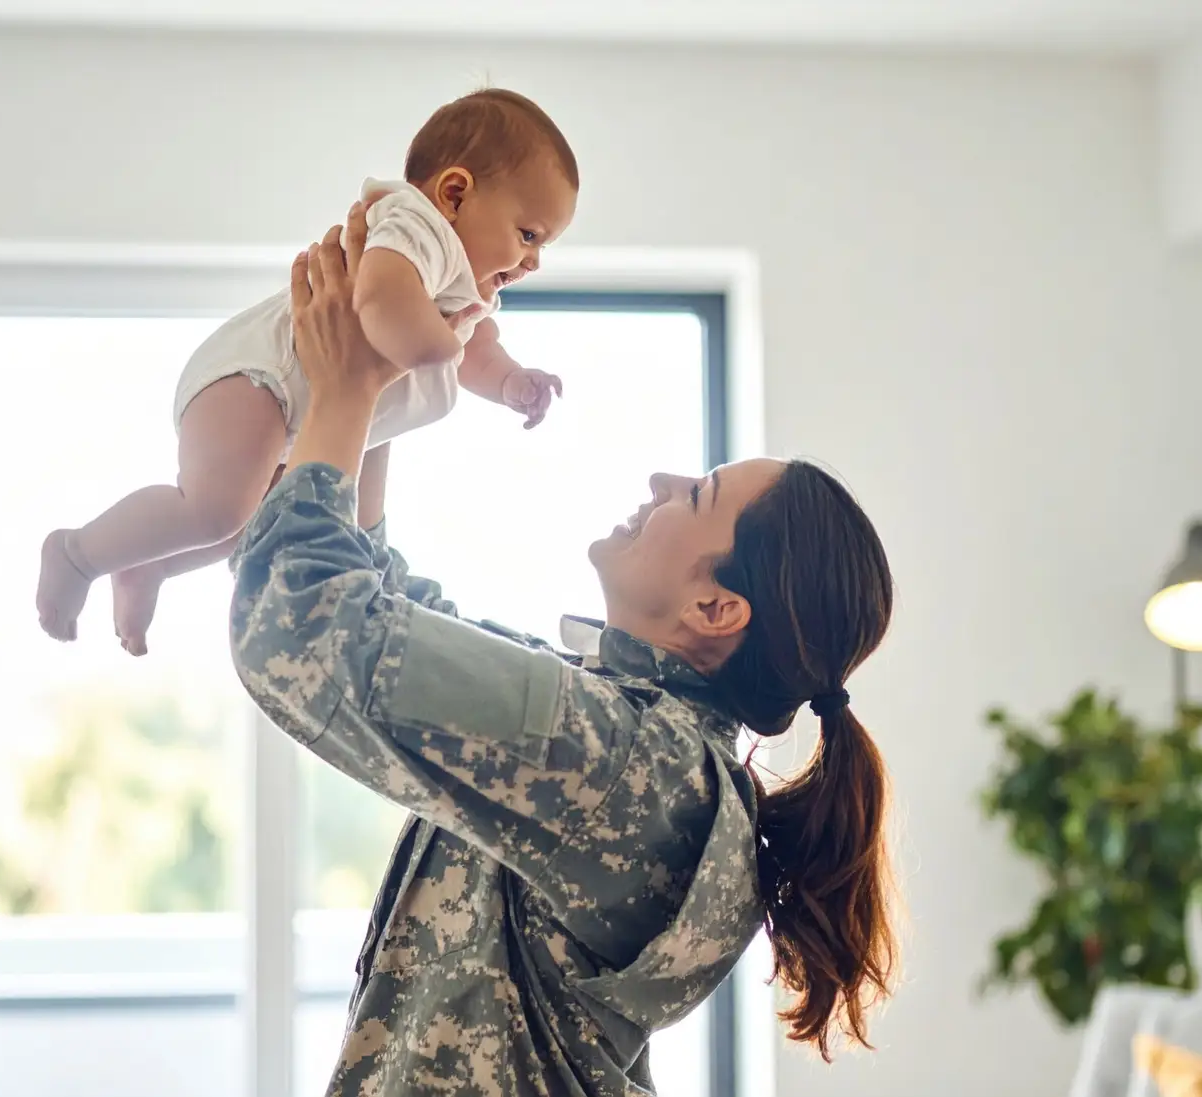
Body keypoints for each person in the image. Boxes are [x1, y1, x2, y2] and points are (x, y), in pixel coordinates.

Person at [227, 205, 900, 1094]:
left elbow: (302, 633)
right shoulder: (638, 741)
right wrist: (379, 392)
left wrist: (347, 394)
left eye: (692, 495)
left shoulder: (627, 764)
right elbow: (385, 608)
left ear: (715, 606)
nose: (660, 483)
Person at [36, 88, 576, 655]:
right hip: (253, 379)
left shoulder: (466, 286)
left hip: (292, 413)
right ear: (455, 193)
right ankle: (77, 553)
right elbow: (382, 300)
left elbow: (477, 346)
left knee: (250, 524)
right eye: (529, 234)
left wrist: (512, 380)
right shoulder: (415, 228)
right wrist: (438, 348)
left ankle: (146, 565)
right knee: (216, 507)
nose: (534, 260)